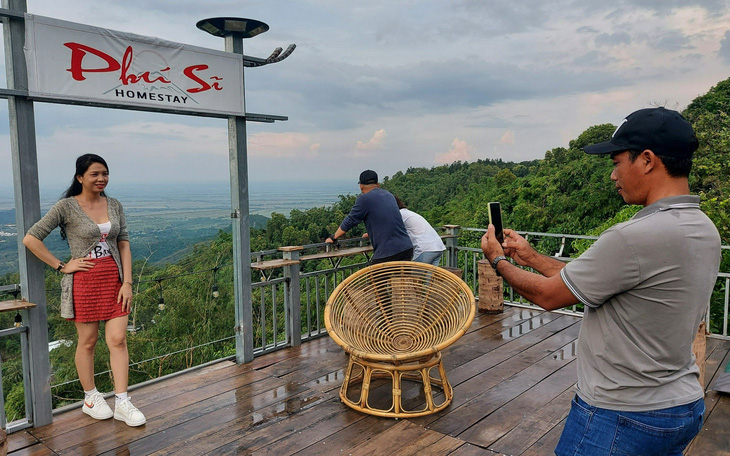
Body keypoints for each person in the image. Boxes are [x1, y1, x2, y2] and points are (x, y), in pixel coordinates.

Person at [480, 107, 721, 456]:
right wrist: (530, 257)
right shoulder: (703, 228)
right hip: (681, 406)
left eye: (616, 161)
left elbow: (549, 296)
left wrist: (497, 260)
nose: (613, 175)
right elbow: (593, 278)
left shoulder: (635, 236)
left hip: (621, 415)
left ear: (647, 160)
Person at [23, 154, 146, 427]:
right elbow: (31, 238)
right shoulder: (66, 207)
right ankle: (91, 397)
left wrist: (127, 282)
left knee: (118, 340)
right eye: (94, 174)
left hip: (114, 281)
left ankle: (123, 401)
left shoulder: (113, 204)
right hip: (85, 283)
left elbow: (123, 242)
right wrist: (61, 266)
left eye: (105, 173)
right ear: (80, 177)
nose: (101, 178)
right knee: (88, 342)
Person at [326, 170, 413, 264]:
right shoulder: (389, 195)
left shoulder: (364, 199)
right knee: (402, 278)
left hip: (388, 252)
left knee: (375, 278)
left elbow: (350, 220)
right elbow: (386, 218)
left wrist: (333, 237)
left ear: (361, 186)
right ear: (378, 184)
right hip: (406, 248)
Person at [394, 196, 446, 265]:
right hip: (438, 247)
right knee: (428, 276)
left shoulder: (399, 214)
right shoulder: (408, 213)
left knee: (415, 275)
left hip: (425, 249)